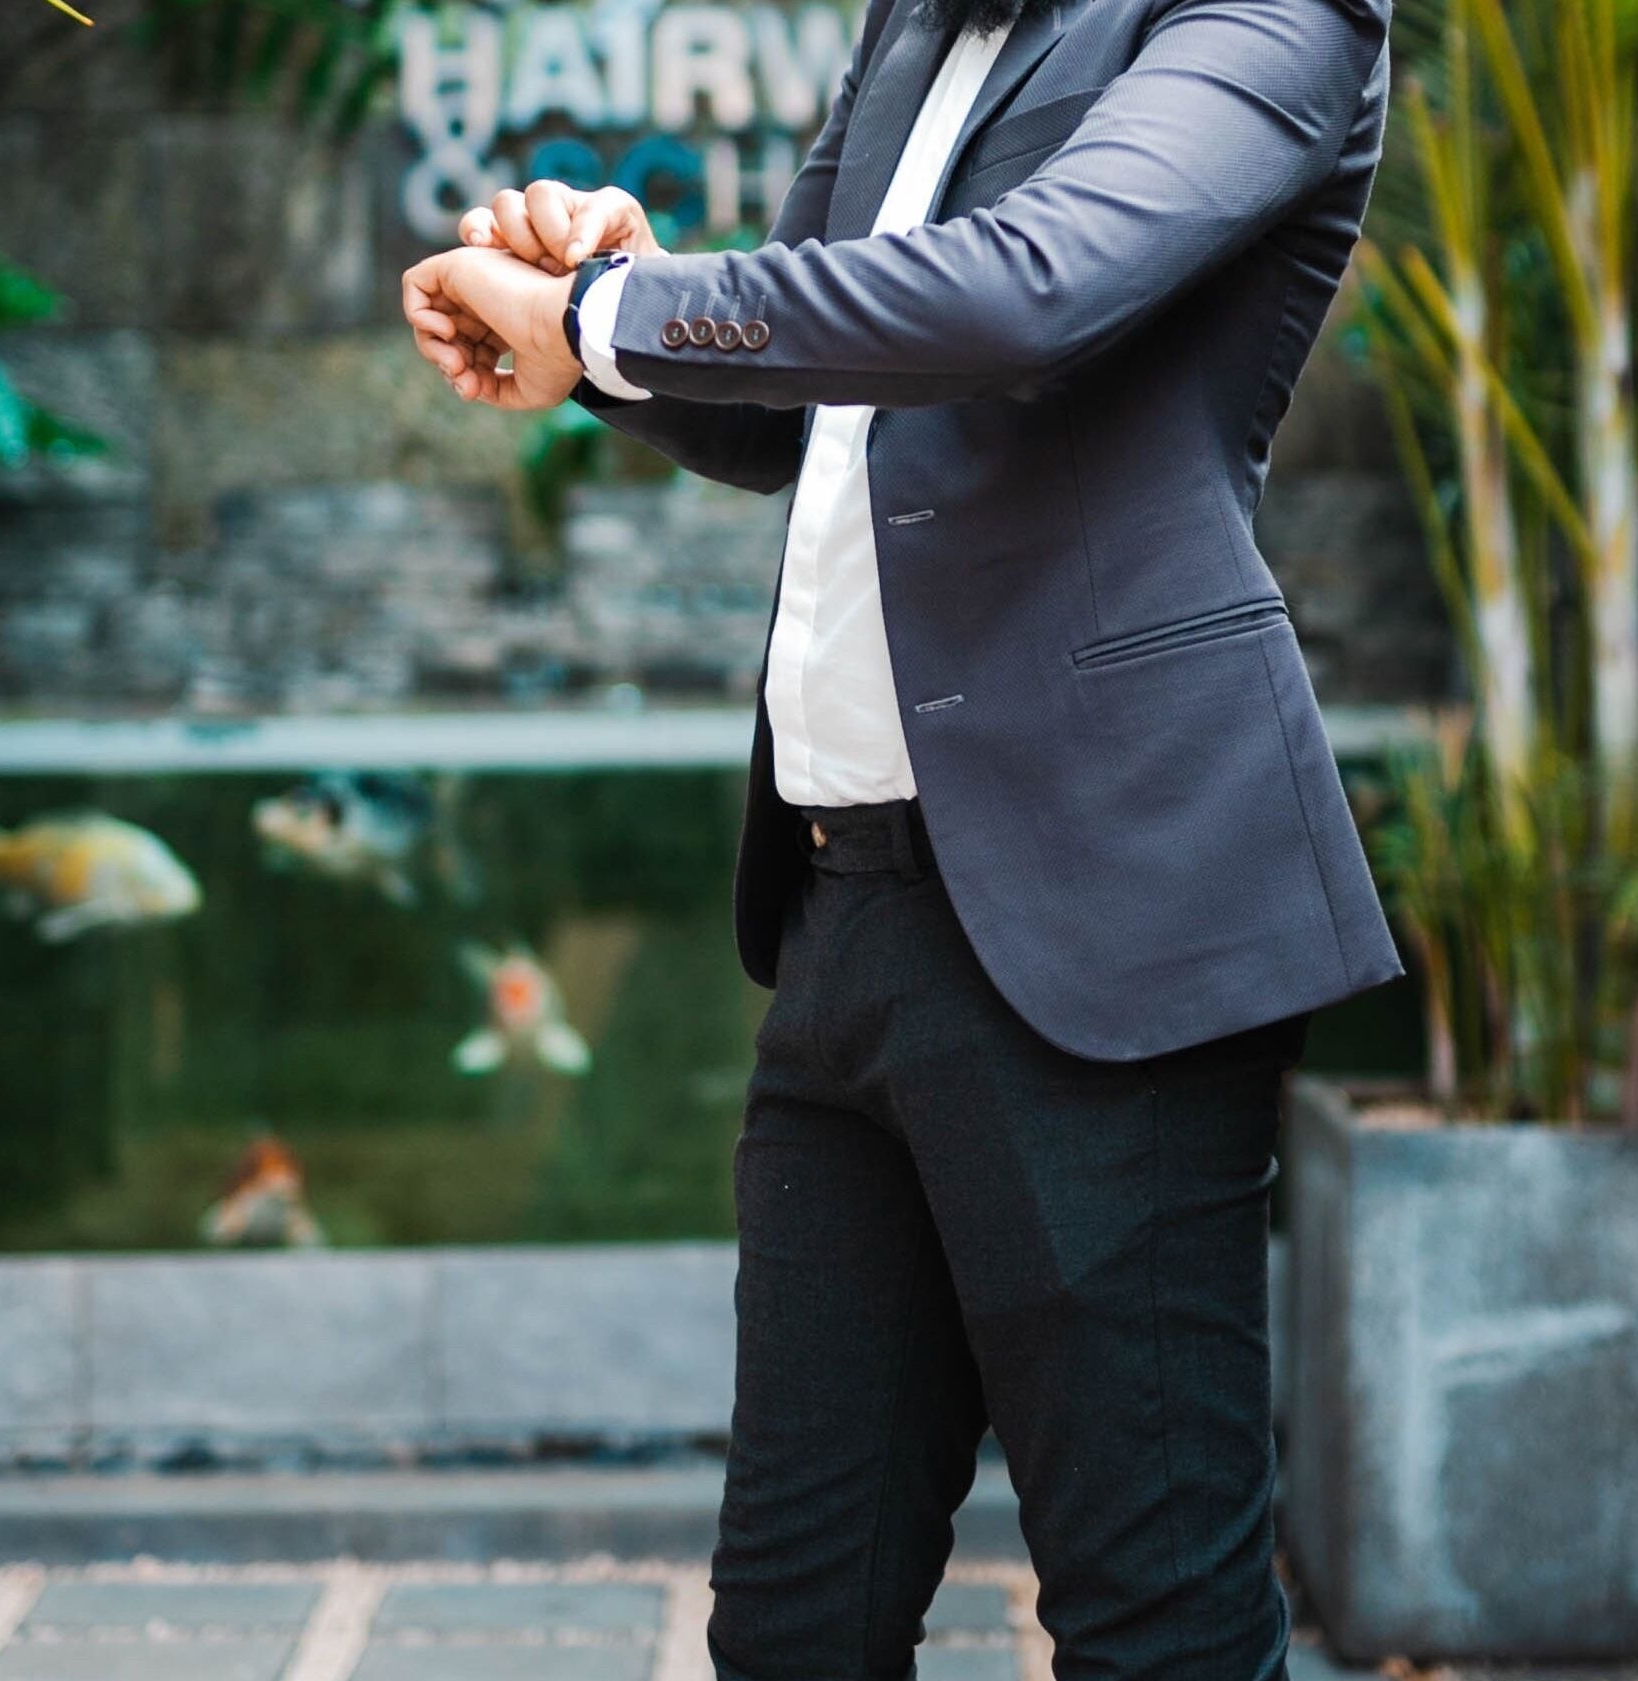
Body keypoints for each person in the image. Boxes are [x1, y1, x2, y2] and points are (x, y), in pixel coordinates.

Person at [403, 0, 1396, 1669]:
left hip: (1105, 923)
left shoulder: (1269, 12)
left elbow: (1029, 288)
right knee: (794, 1619)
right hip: (840, 911)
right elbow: (791, 402)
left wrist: (607, 306)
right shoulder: (915, 25)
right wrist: (604, 328)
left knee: (1154, 1621)